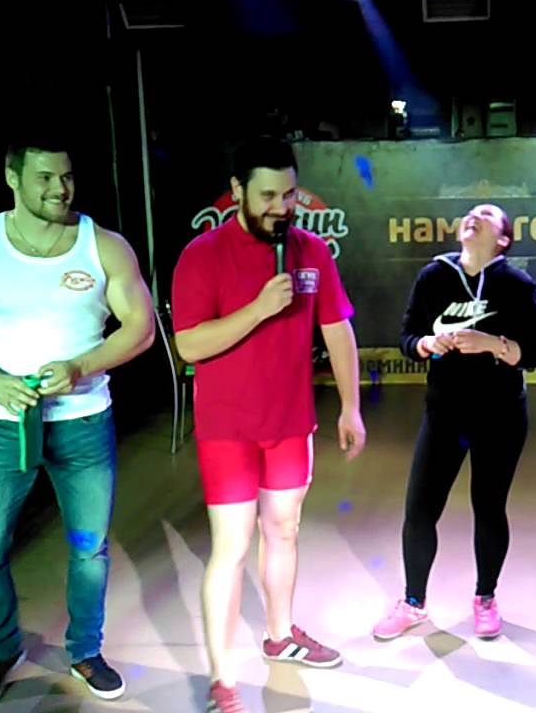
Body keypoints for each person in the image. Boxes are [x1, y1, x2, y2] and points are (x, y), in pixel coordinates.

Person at [0, 132, 154, 711]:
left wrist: (81, 365)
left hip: (83, 422)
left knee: (88, 548)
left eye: (67, 176)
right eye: (45, 178)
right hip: (3, 424)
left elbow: (141, 328)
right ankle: (0, 649)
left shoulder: (103, 246)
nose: (60, 189)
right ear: (12, 178)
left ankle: (85, 650)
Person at [171, 136, 366, 713]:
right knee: (231, 546)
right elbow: (189, 345)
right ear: (237, 192)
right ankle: (223, 679)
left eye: (288, 194)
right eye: (267, 196)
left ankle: (280, 635)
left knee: (284, 529)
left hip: (290, 424)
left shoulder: (312, 251)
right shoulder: (202, 255)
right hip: (228, 431)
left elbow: (337, 328)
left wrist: (350, 405)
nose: (281, 207)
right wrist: (258, 308)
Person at [371, 203, 536, 643]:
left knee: (488, 508)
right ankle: (413, 603)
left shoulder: (517, 285)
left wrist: (493, 344)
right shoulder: (433, 277)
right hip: (445, 413)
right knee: (419, 509)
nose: (474, 216)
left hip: (501, 415)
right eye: (470, 212)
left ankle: (485, 598)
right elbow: (407, 337)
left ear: (503, 239)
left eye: (487, 214)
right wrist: (426, 344)